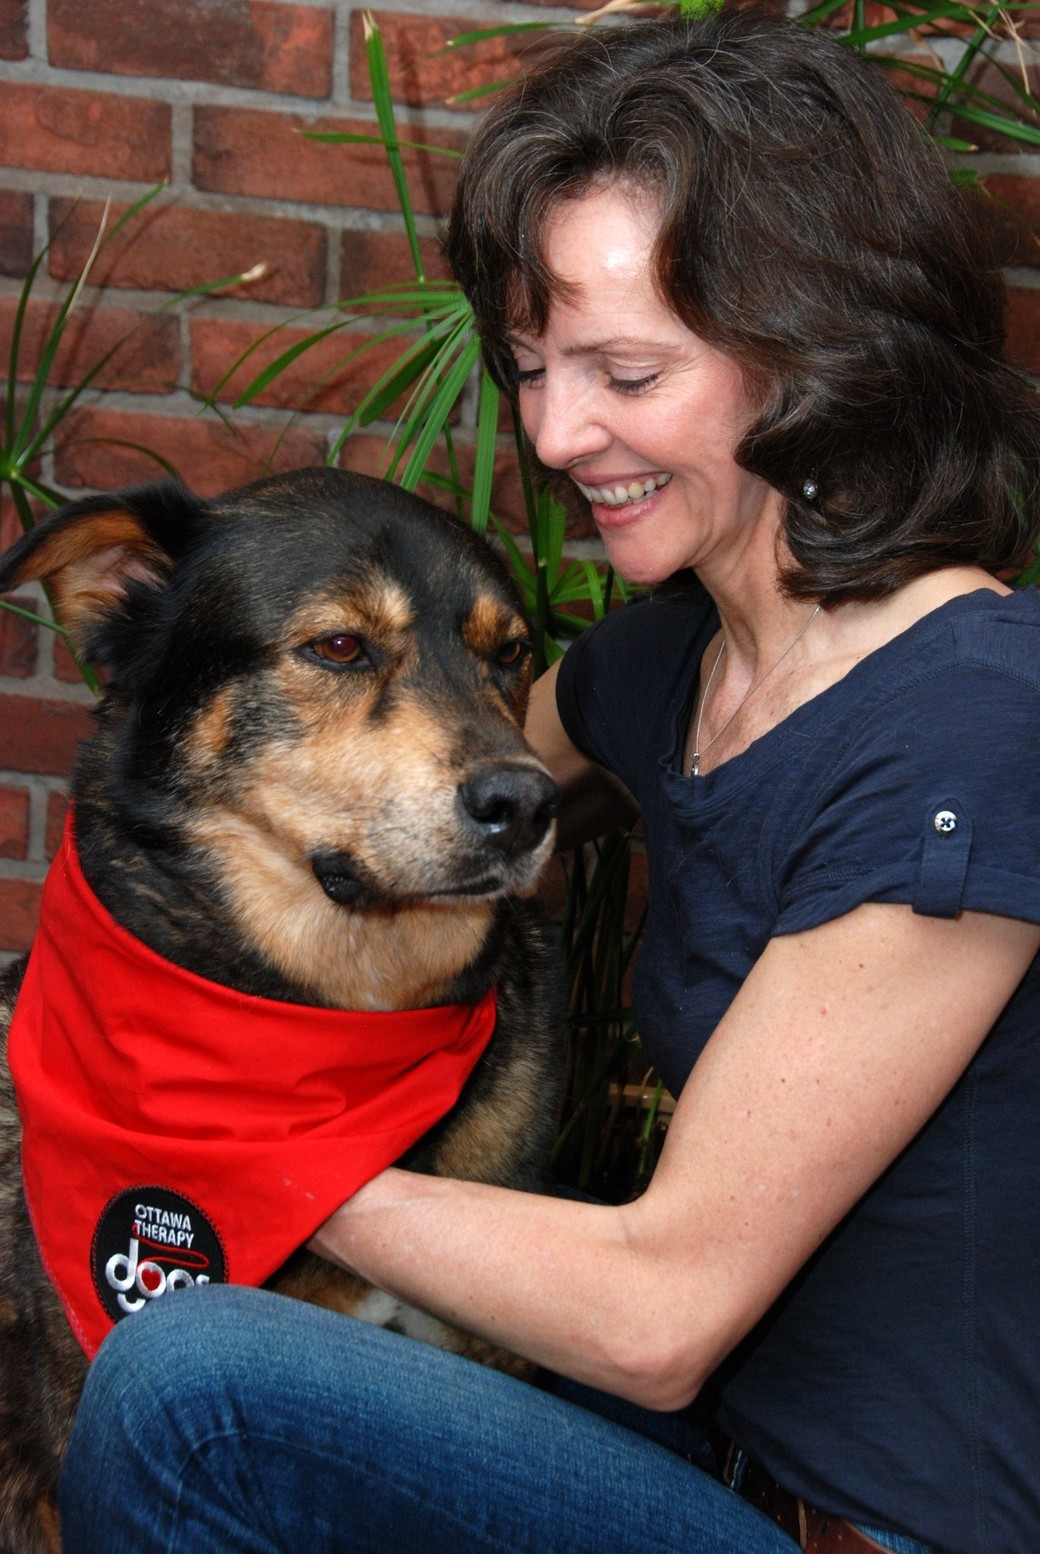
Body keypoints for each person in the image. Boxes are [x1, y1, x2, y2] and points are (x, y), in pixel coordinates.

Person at [59, 8, 1040, 1554]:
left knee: (194, 1387)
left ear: (819, 358)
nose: (559, 431)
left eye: (626, 371)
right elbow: (456, 785)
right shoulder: (676, 660)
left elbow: (660, 1313)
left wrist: (225, 1138)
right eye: (531, 367)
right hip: (702, 1457)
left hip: (860, 1527)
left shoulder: (967, 728)